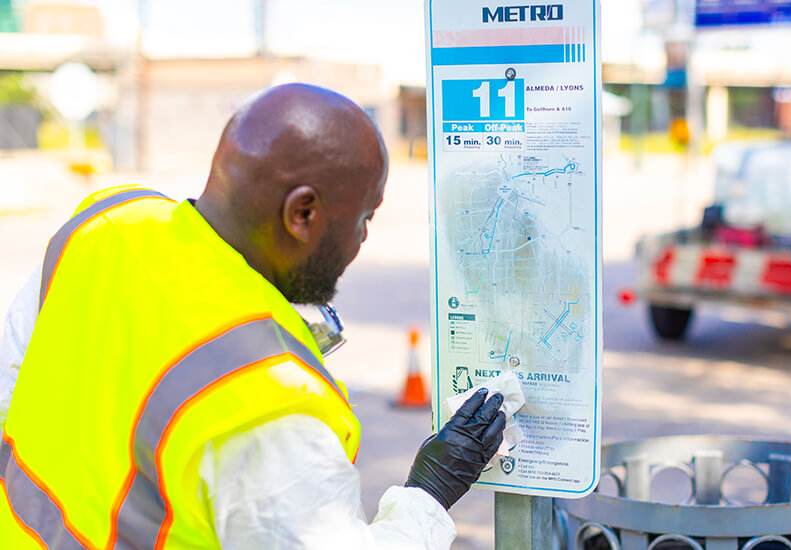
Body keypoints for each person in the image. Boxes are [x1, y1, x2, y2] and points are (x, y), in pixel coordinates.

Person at [0, 83, 505, 549]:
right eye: (363, 218)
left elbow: (16, 384)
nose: (364, 237)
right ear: (302, 213)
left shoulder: (107, 223)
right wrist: (429, 494)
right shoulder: (269, 405)